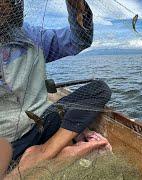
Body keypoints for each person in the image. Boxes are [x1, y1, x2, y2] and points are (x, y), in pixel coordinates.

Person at [0, 0, 112, 175]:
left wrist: (77, 6)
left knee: (99, 89)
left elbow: (78, 41)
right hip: (7, 144)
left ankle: (46, 150)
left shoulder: (31, 36)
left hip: (43, 123)